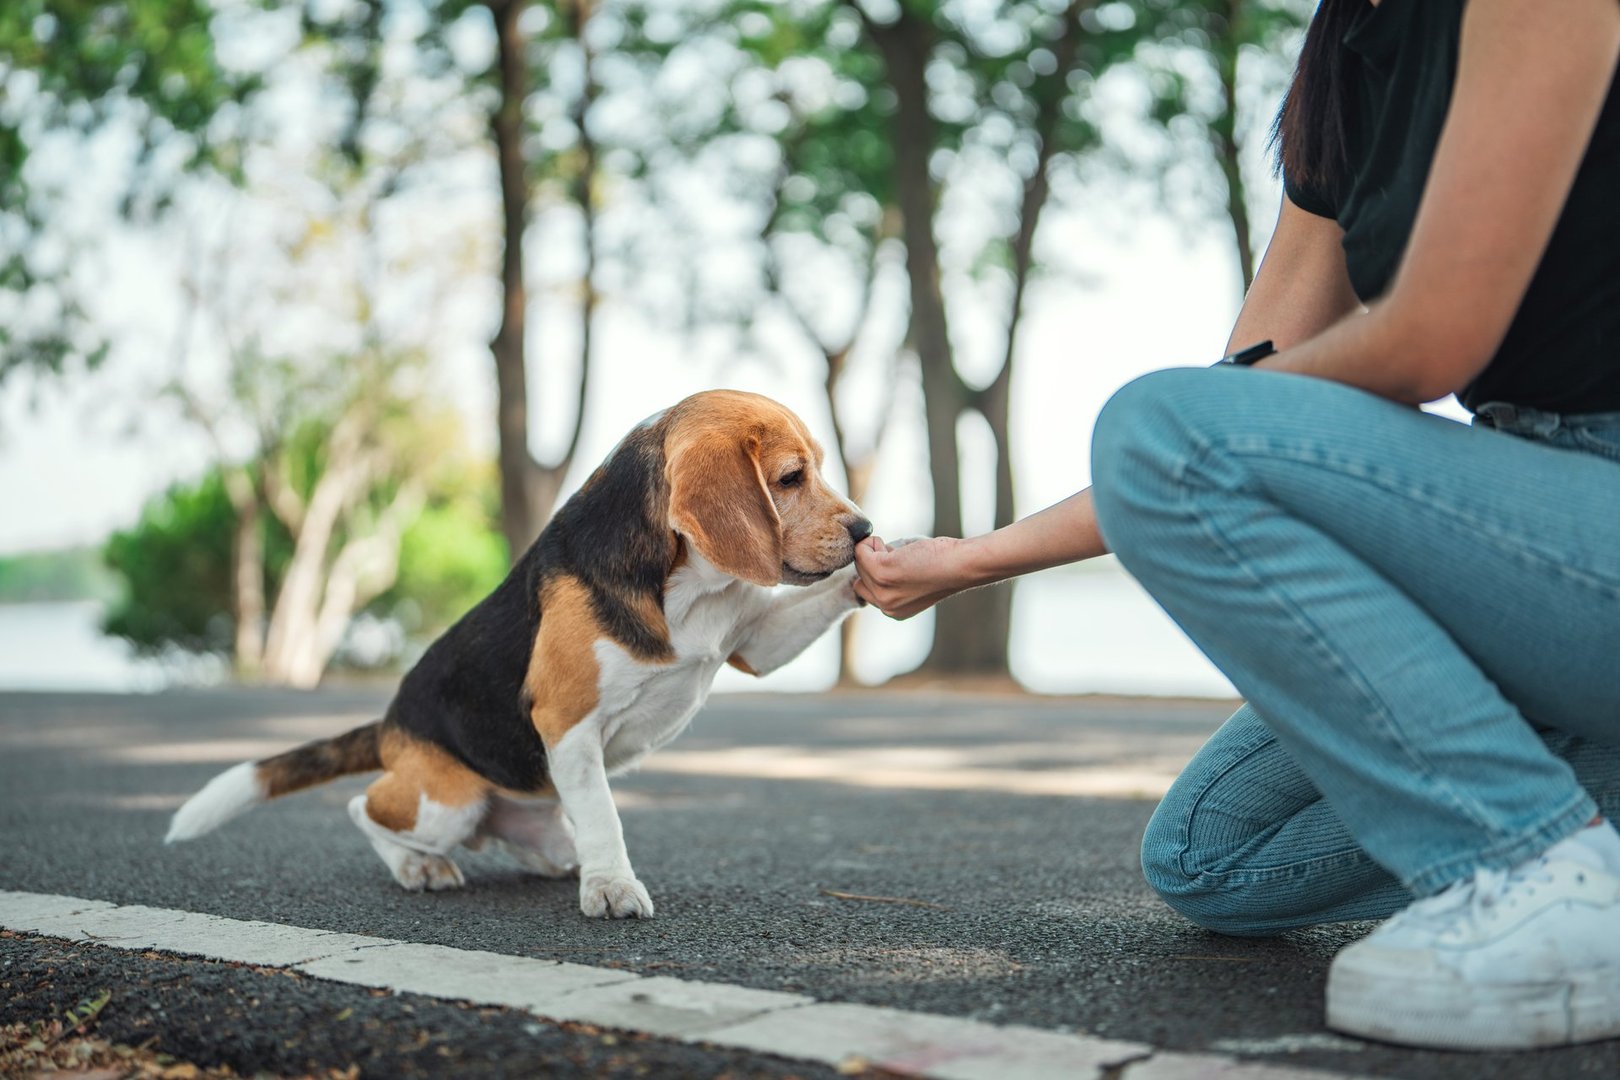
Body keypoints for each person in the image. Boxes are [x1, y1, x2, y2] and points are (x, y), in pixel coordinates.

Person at [851, 0, 1620, 1053]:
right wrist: (973, 560)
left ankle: (1535, 865)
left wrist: (1213, 421)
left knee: (1163, 425)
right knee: (1214, 857)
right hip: (1528, 527)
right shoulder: (1352, 56)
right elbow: (1229, 417)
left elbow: (1419, 345)